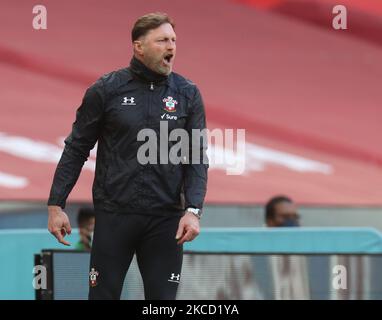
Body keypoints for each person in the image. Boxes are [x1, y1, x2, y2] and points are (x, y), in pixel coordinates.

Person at [47, 12, 208, 300]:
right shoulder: (106, 90)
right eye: (162, 40)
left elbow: (196, 156)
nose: (171, 47)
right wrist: (56, 205)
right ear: (139, 47)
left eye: (173, 40)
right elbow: (76, 148)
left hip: (165, 220)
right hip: (114, 216)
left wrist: (193, 210)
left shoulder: (188, 94)